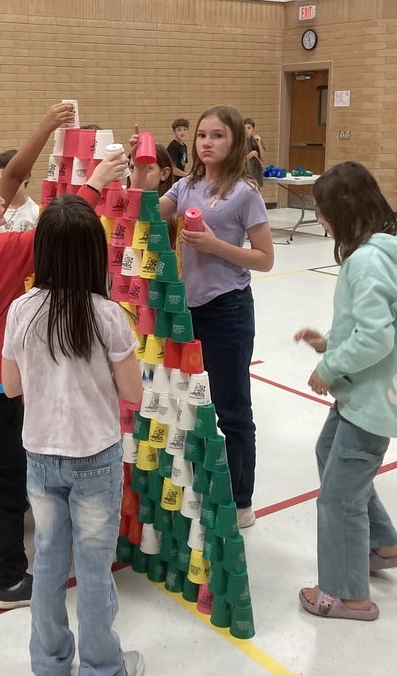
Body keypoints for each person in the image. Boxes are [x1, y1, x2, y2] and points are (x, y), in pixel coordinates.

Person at [0, 103, 127, 610]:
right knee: (10, 485)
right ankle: (11, 579)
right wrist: (96, 181)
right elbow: (54, 233)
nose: (3, 198)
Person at [2, 194, 146, 676]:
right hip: (95, 457)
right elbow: (134, 394)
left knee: (47, 559)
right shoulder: (107, 315)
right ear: (94, 255)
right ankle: (102, 666)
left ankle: (49, 662)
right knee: (93, 567)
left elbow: (10, 386)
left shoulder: (21, 310)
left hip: (41, 455)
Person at [294, 160, 397, 622]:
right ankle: (383, 544)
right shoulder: (376, 253)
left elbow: (375, 338)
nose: (320, 220)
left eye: (323, 211)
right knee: (329, 454)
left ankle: (348, 595)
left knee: (338, 498)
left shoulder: (367, 261)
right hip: (370, 391)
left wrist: (329, 366)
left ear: (344, 211)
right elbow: (367, 325)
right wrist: (328, 343)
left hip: (373, 399)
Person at [158, 105, 275, 529]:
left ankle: (241, 500)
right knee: (188, 403)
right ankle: (197, 482)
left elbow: (265, 259)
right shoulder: (186, 186)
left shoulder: (245, 192)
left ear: (235, 141)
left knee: (232, 409)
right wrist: (140, 168)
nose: (207, 142)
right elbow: (149, 213)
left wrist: (215, 246)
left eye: (218, 135)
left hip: (227, 309)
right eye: (202, 135)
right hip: (185, 310)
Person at [0, 149, 40, 233]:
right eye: (3, 174)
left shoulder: (36, 213)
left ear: (26, 177)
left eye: (14, 175)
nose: (9, 181)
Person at [244, 117, 266, 185]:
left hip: (255, 173)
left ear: (253, 129)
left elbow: (264, 159)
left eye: (249, 128)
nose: (246, 130)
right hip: (244, 174)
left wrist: (259, 144)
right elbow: (238, 161)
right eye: (244, 128)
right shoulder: (239, 142)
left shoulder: (255, 141)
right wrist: (251, 154)